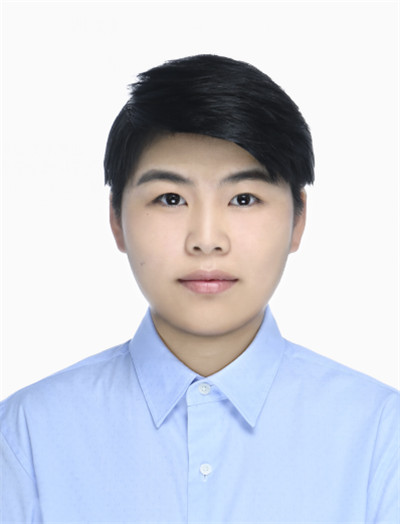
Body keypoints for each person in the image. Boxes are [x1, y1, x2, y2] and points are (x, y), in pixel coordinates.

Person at [1, 55, 398, 523]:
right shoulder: (27, 434)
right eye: (171, 198)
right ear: (117, 219)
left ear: (298, 220)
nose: (207, 239)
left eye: (243, 198)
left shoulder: (380, 433)